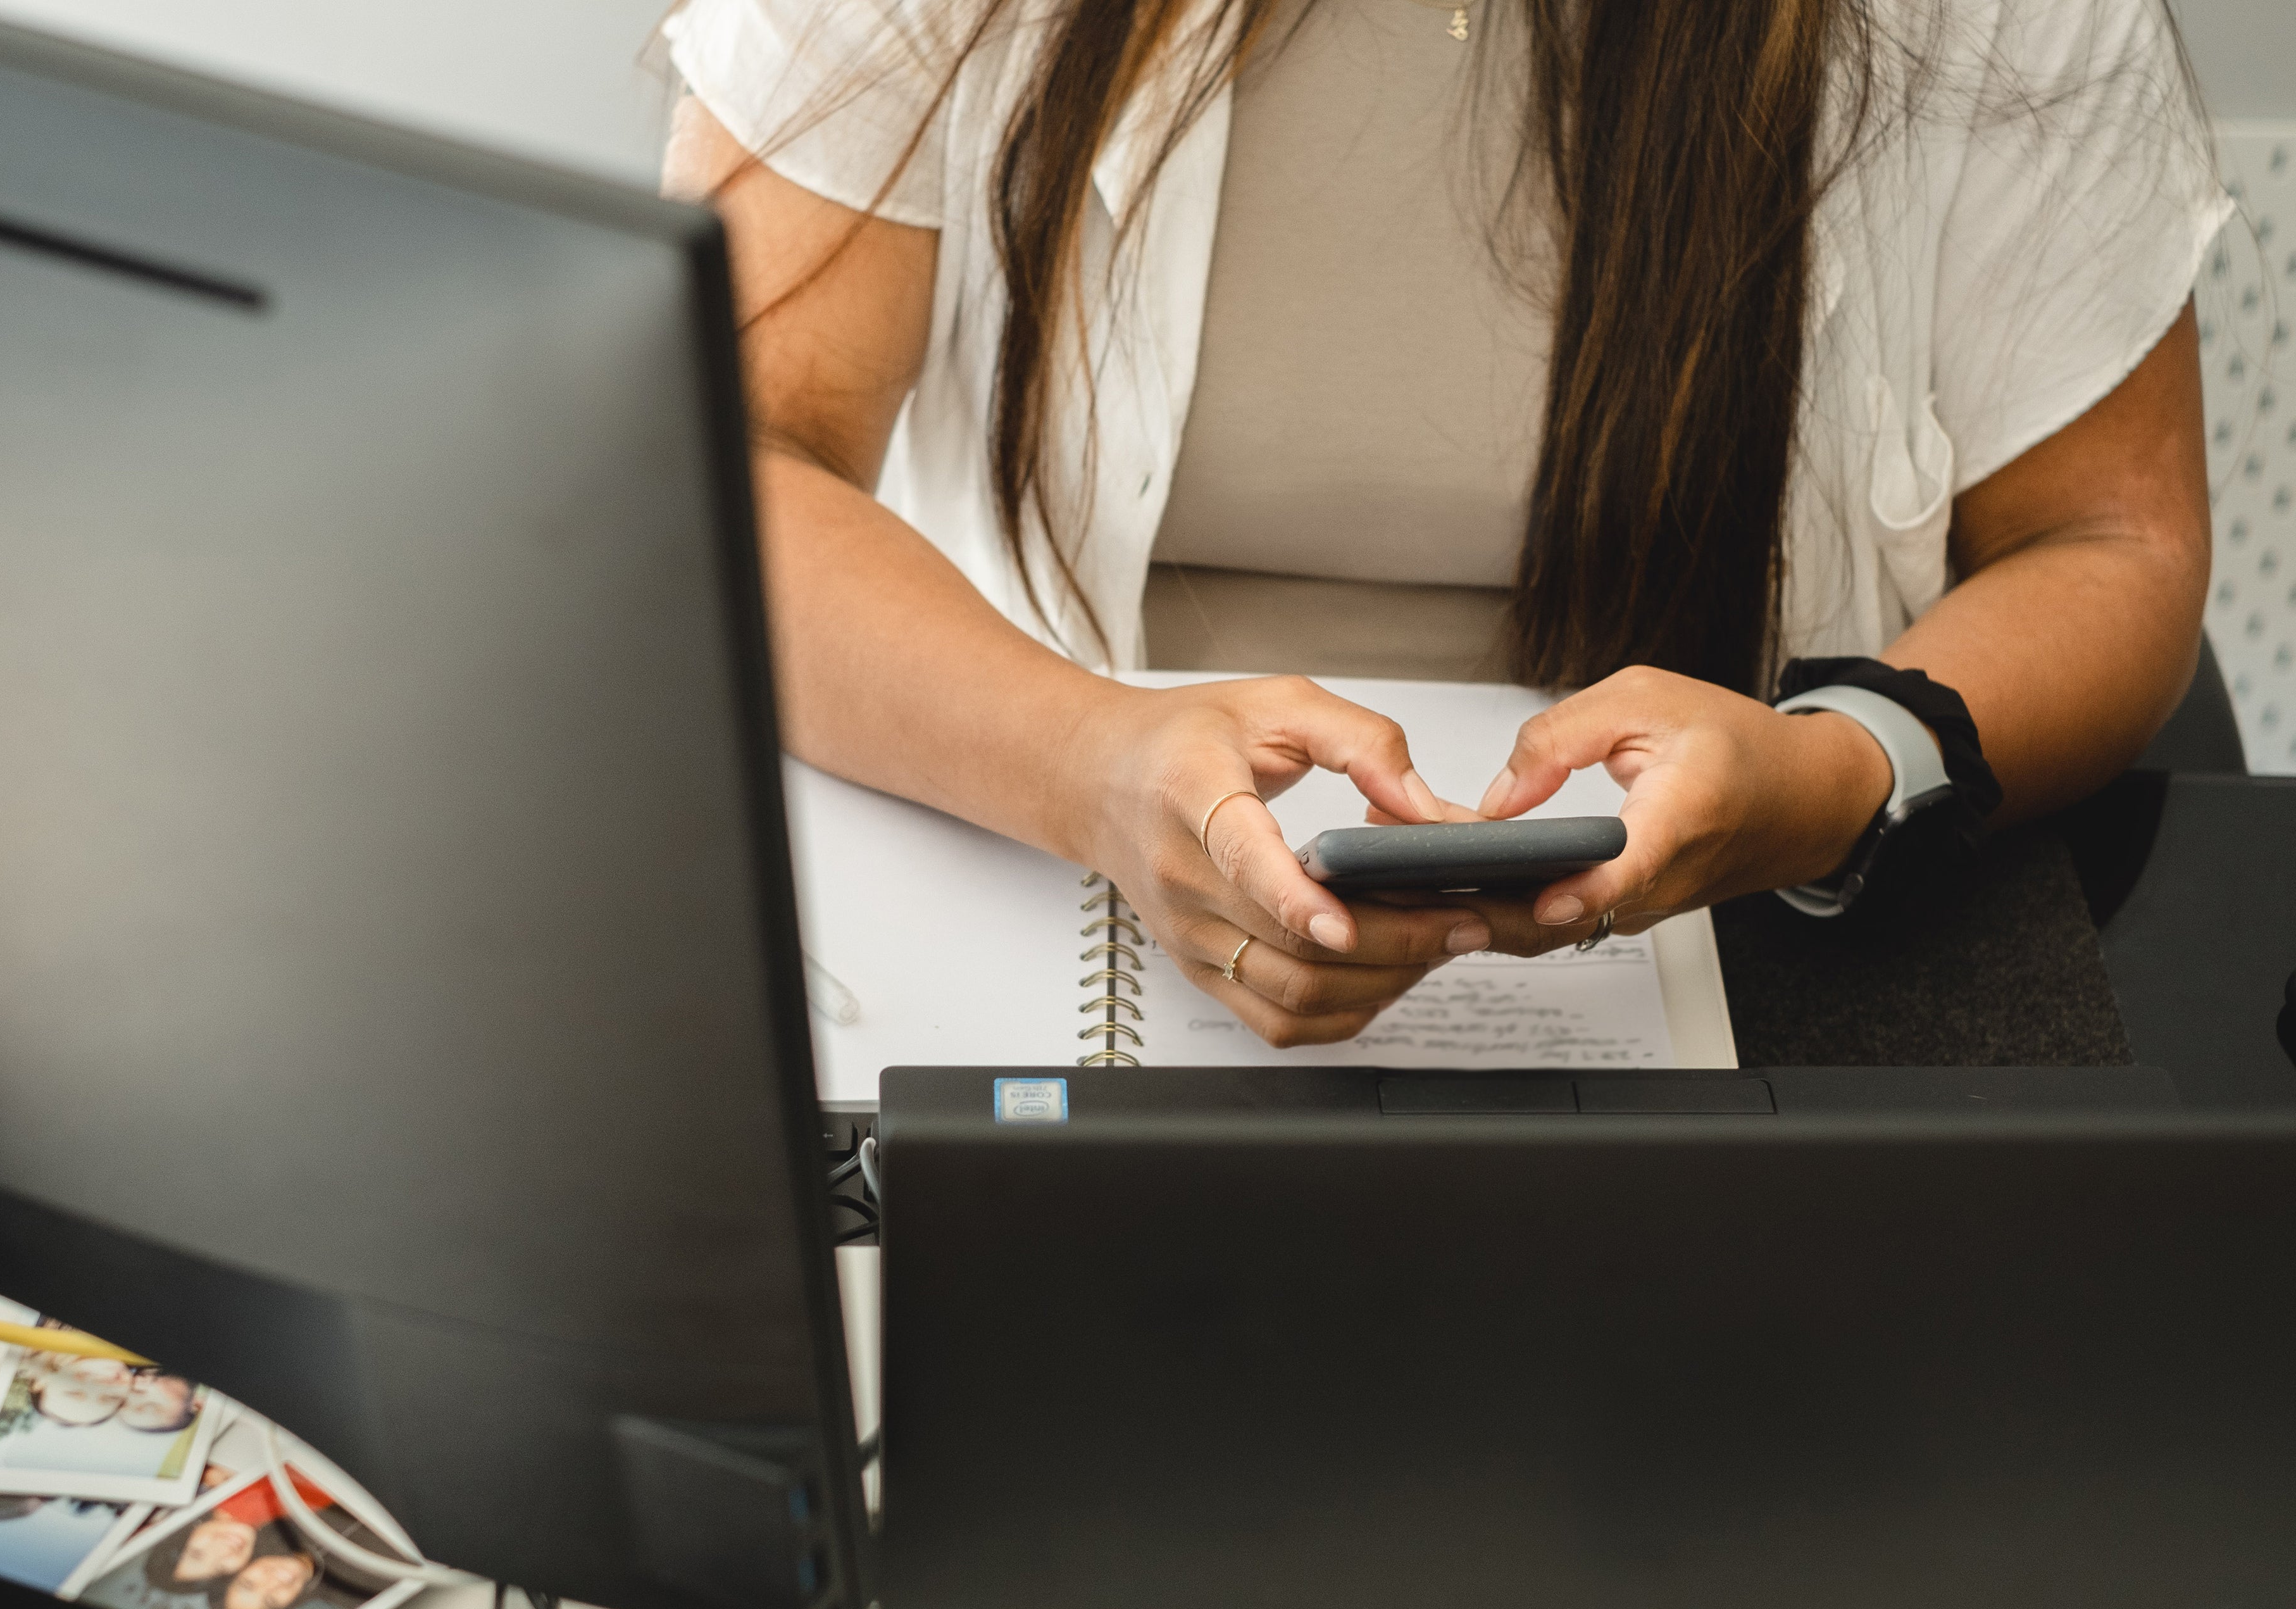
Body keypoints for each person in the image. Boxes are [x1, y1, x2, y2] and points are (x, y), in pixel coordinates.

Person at [661, 0, 2229, 1046]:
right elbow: (734, 466)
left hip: (1754, 970)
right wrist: (1083, 763)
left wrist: (1827, 773)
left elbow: (2108, 542)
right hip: (1041, 898)